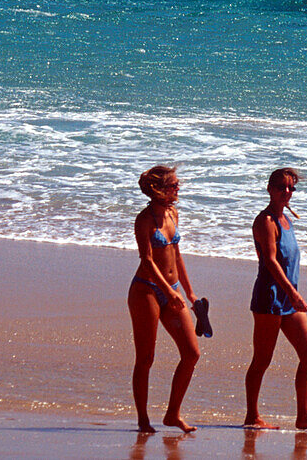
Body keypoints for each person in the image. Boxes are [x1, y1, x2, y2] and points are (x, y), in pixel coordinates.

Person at [244, 168, 307, 432]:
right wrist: (293, 294)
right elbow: (270, 261)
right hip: (269, 298)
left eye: (291, 188)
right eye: (282, 187)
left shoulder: (286, 220)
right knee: (262, 360)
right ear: (270, 189)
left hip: (287, 298)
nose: (287, 192)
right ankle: (252, 415)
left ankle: (303, 416)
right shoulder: (266, 221)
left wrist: (292, 294)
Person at [128, 165, 201, 434]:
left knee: (192, 353)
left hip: (172, 288)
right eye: (173, 185)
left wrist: (188, 292)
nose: (178, 188)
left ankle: (172, 414)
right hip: (146, 290)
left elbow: (177, 255)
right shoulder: (144, 220)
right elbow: (147, 260)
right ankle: (143, 419)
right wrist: (168, 293)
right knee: (146, 358)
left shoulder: (173, 213)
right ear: (159, 190)